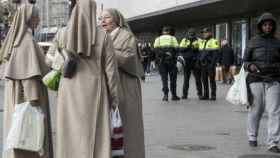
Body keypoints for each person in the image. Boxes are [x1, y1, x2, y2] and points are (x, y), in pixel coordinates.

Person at [55, 1, 120, 158]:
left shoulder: (62, 33)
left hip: (68, 90)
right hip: (94, 91)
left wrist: (63, 61)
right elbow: (111, 72)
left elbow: (49, 59)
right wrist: (115, 99)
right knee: (95, 136)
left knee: (69, 132)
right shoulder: (103, 36)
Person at [0, 4, 53, 158]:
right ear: (30, 18)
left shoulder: (18, 39)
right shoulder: (27, 41)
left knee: (18, 134)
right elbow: (28, 76)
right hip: (28, 99)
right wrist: (34, 103)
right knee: (30, 139)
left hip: (18, 97)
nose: (39, 20)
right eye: (37, 16)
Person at [100, 8, 145, 158]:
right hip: (111, 85)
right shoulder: (103, 36)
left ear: (116, 19)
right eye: (101, 19)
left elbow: (127, 58)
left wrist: (106, 50)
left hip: (126, 85)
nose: (103, 21)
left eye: (106, 18)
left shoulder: (125, 35)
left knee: (127, 124)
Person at [243, 12, 280, 153]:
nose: (268, 27)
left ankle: (273, 143)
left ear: (273, 26)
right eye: (265, 25)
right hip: (255, 79)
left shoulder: (278, 42)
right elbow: (245, 60)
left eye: (270, 25)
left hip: (274, 79)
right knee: (256, 109)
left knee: (275, 111)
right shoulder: (253, 41)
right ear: (260, 26)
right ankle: (252, 136)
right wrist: (250, 66)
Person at [153, 26, 180, 101]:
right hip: (171, 61)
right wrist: (171, 54)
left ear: (162, 32)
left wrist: (164, 54)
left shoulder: (158, 39)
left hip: (161, 61)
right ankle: (174, 95)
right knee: (173, 79)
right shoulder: (173, 38)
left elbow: (155, 50)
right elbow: (177, 49)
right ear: (169, 32)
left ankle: (165, 95)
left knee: (164, 79)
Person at [179, 28, 202, 99]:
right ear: (188, 34)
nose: (191, 36)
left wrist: (196, 48)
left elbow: (202, 50)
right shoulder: (184, 40)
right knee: (186, 79)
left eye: (192, 34)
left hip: (196, 61)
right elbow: (181, 49)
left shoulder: (199, 40)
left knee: (198, 79)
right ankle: (184, 94)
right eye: (190, 34)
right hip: (187, 62)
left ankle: (200, 94)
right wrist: (188, 47)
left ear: (194, 34)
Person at [199, 28, 219, 100]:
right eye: (203, 33)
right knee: (204, 80)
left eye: (206, 32)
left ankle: (213, 95)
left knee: (212, 80)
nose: (204, 34)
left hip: (210, 64)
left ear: (210, 33)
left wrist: (212, 64)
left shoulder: (214, 41)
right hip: (203, 65)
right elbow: (200, 53)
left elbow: (215, 54)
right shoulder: (202, 42)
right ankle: (206, 95)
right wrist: (199, 62)